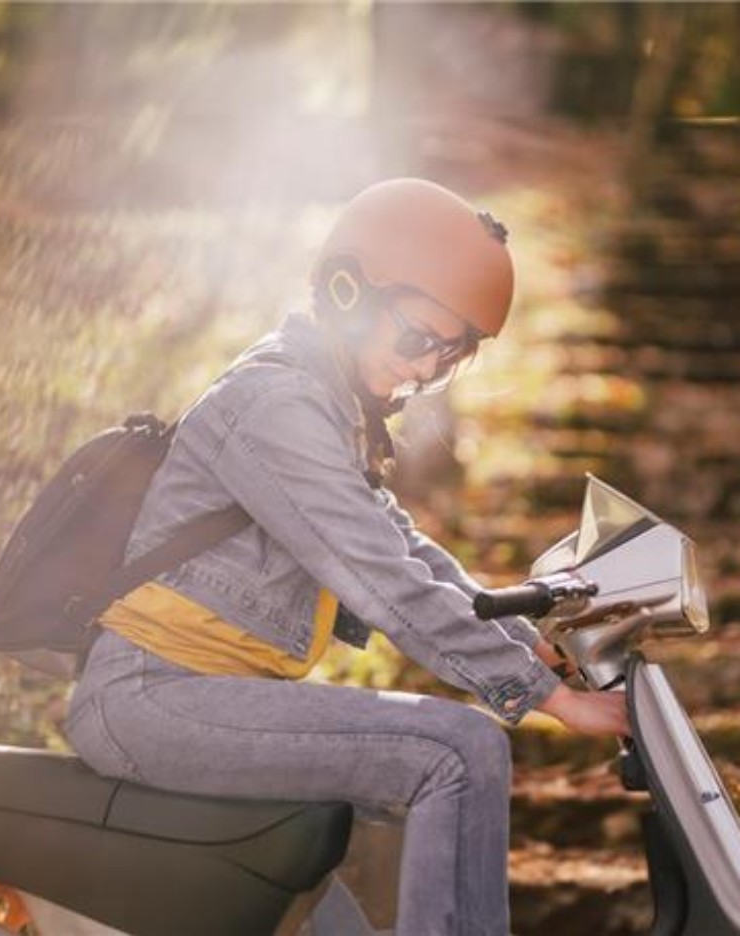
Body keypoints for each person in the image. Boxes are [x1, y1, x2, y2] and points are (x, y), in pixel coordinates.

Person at [62, 178, 630, 936]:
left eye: (449, 356)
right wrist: (546, 699)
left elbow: (407, 550)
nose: (426, 369)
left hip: (209, 699)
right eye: (418, 338)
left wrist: (527, 642)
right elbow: (381, 578)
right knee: (456, 752)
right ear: (346, 289)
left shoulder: (328, 410)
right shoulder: (276, 408)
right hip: (151, 696)